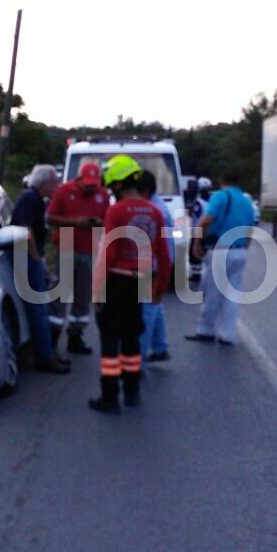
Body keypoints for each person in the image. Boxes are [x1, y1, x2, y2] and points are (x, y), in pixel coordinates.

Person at [89, 156, 172, 414]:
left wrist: (98, 290)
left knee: (110, 341)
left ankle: (110, 397)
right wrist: (159, 288)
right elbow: (164, 256)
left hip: (116, 279)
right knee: (132, 338)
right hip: (142, 280)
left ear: (118, 183)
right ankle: (132, 391)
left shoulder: (116, 211)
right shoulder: (155, 211)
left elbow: (108, 253)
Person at [45, 161, 109, 355]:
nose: (90, 187)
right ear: (79, 179)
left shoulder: (102, 194)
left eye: (94, 183)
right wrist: (75, 222)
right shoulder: (64, 191)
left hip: (90, 249)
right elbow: (50, 218)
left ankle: (76, 336)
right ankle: (53, 337)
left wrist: (99, 223)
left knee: (83, 295)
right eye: (87, 183)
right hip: (66, 246)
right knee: (60, 294)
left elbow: (108, 220)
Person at [186, 170, 257, 346]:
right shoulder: (247, 201)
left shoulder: (220, 197)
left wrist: (196, 243)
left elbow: (205, 221)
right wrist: (245, 244)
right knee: (232, 295)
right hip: (239, 251)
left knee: (212, 292)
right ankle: (227, 335)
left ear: (222, 180)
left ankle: (206, 329)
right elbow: (251, 225)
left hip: (220, 250)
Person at [12, 164, 70, 374]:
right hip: (27, 258)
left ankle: (46, 353)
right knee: (39, 308)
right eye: (54, 181)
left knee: (40, 306)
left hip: (28, 257)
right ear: (44, 182)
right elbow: (25, 228)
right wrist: (36, 258)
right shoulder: (31, 198)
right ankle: (45, 357)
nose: (56, 185)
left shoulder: (36, 198)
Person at [135, 171, 172, 363]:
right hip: (155, 267)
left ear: (145, 191)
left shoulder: (155, 212)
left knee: (144, 316)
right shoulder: (155, 207)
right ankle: (159, 348)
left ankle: (137, 364)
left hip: (152, 269)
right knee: (154, 308)